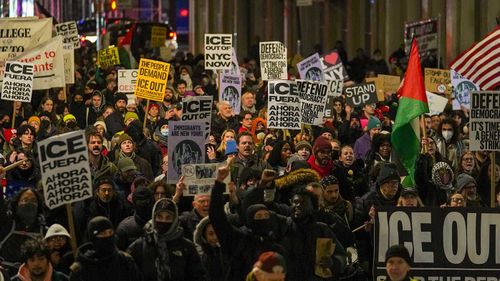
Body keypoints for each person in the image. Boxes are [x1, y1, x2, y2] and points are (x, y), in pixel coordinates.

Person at [127, 198, 207, 281]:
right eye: (159, 216)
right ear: (154, 217)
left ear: (175, 219)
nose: (163, 221)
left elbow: (198, 276)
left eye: (168, 217)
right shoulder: (140, 246)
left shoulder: (187, 247)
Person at [70, 216, 141, 281]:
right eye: (103, 233)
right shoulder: (80, 268)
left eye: (110, 232)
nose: (108, 236)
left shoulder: (125, 261)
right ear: (93, 237)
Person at [193, 217, 229, 281]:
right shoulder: (203, 258)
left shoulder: (232, 253)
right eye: (211, 234)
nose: (215, 237)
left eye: (218, 232)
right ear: (205, 237)